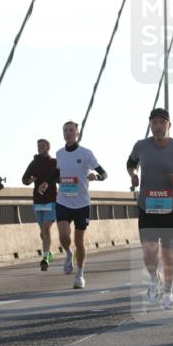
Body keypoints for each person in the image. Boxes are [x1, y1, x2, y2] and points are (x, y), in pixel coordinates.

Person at [127, 108, 173, 310]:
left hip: (170, 208)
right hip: (147, 207)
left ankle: (168, 293)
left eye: (161, 122)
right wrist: (133, 174)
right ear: (150, 125)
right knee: (149, 253)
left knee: (168, 255)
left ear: (169, 125)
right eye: (154, 123)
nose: (158, 126)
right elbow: (130, 163)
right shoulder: (141, 146)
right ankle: (153, 278)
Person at [55, 121, 107, 289]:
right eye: (65, 130)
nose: (68, 133)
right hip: (63, 201)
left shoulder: (86, 153)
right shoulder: (59, 153)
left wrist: (96, 177)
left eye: (71, 130)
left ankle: (80, 275)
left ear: (77, 133)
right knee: (64, 236)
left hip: (82, 204)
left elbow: (104, 173)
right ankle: (68, 253)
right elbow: (56, 174)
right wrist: (47, 183)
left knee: (79, 240)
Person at [21, 139, 58, 271]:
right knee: (43, 232)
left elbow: (60, 177)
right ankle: (50, 252)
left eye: (42, 146)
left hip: (52, 200)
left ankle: (45, 258)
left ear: (48, 147)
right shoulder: (34, 163)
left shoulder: (54, 162)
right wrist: (30, 180)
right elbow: (24, 179)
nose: (40, 148)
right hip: (38, 201)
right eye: (38, 146)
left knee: (46, 229)